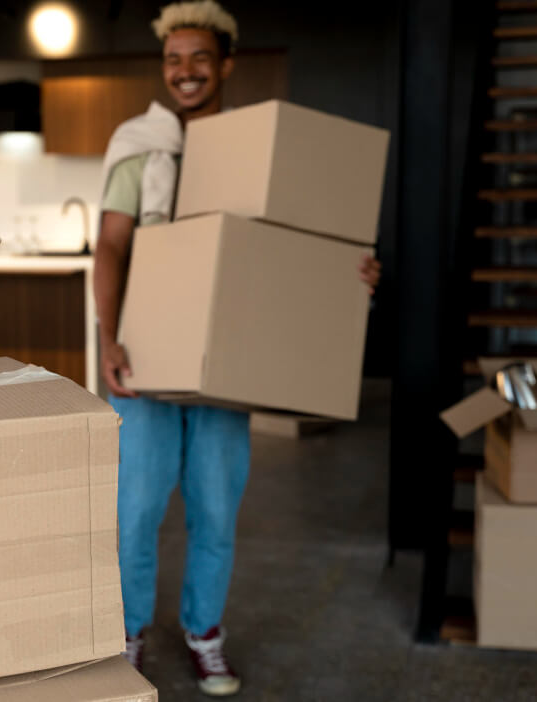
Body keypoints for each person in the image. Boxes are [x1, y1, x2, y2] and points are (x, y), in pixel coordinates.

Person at [94, 1, 382, 696]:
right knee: (136, 511)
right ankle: (126, 634)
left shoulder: (260, 150)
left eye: (199, 59)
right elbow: (109, 245)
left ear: (225, 65)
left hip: (227, 365)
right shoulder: (139, 144)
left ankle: (203, 634)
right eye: (173, 59)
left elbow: (290, 253)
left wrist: (349, 277)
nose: (184, 72)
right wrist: (109, 339)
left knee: (216, 509)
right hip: (147, 358)